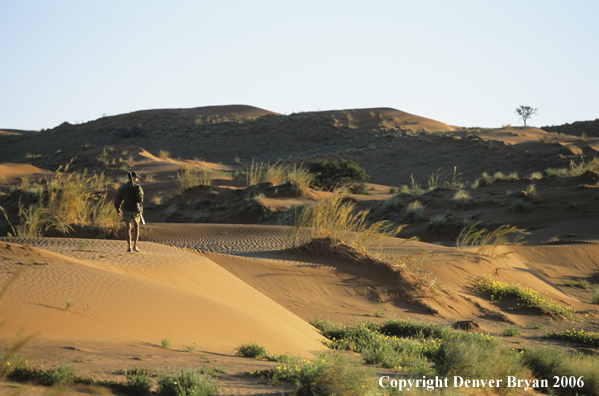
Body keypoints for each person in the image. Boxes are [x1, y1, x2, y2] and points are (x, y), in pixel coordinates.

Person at [114, 171, 144, 252]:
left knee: (128, 228)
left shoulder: (122, 188)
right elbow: (140, 199)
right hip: (135, 210)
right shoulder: (137, 187)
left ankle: (129, 247)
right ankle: (135, 246)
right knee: (136, 227)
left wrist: (118, 210)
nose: (137, 179)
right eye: (136, 178)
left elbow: (117, 201)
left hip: (126, 209)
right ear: (133, 178)